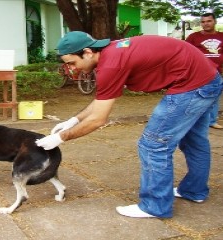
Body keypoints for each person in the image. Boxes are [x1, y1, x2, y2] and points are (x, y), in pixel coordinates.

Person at [36, 31, 223, 218]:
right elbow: (102, 100)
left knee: (153, 145)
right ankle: (194, 191)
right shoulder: (110, 53)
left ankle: (155, 206)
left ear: (87, 52)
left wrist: (61, 137)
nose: (72, 68)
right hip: (208, 78)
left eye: (72, 63)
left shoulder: (111, 64)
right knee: (194, 141)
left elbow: (98, 119)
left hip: (192, 87)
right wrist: (74, 120)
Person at [186, 13, 223, 129]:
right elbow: (186, 52)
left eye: (209, 21)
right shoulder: (193, 37)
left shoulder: (221, 36)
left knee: (214, 97)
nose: (206, 24)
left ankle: (212, 121)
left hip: (216, 72)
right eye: (203, 22)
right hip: (198, 72)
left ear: (215, 21)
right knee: (195, 96)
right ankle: (192, 121)